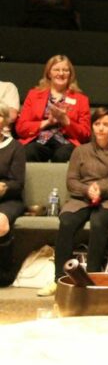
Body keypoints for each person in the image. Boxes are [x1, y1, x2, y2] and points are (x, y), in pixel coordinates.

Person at [37, 107, 108, 296]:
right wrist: (88, 190)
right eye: (97, 124)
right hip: (81, 198)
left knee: (98, 222)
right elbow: (72, 181)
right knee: (67, 222)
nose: (101, 128)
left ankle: (91, 279)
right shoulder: (80, 151)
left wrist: (101, 190)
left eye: (106, 124)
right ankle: (59, 280)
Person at [16, 55, 91, 162]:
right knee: (29, 151)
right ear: (49, 73)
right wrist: (47, 122)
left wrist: (66, 121)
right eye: (56, 69)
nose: (61, 73)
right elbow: (21, 128)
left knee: (63, 155)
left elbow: (86, 134)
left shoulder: (81, 99)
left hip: (66, 143)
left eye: (65, 70)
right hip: (39, 140)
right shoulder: (34, 95)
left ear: (70, 74)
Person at [0, 104, 25, 286]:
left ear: (4, 121)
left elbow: (18, 184)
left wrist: (4, 187)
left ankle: (4, 274)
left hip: (8, 199)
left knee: (0, 223)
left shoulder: (15, 147)